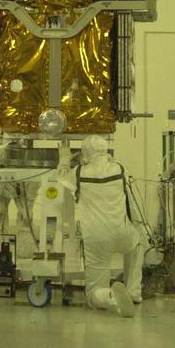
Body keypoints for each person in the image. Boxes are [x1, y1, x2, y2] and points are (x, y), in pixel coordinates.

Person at [63, 135, 143, 318]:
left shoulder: (78, 173)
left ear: (85, 153)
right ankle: (133, 291)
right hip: (122, 233)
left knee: (93, 293)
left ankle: (110, 297)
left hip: (96, 238)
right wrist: (137, 225)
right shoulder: (120, 169)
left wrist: (64, 159)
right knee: (139, 244)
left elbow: (61, 178)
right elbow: (131, 202)